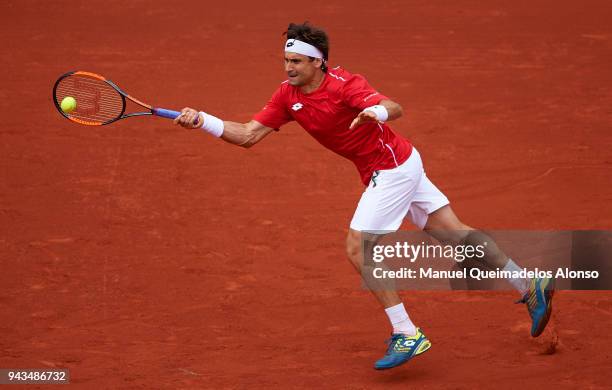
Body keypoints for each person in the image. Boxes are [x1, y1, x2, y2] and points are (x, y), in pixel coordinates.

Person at [174, 22, 554, 370]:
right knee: (452, 233)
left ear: (318, 63)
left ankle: (407, 332)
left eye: (296, 61)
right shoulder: (287, 95)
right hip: (398, 163)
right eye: (285, 60)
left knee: (359, 247)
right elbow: (247, 134)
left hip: (392, 169)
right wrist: (203, 120)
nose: (288, 67)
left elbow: (394, 106)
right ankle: (529, 284)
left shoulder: (345, 85)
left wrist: (375, 113)